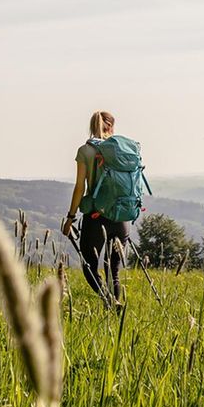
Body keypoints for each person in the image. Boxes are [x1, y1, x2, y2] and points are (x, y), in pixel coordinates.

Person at [63, 110, 129, 304]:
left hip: (96, 216)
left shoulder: (85, 151)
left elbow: (79, 187)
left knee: (89, 266)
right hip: (121, 216)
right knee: (113, 271)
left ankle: (110, 302)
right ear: (112, 126)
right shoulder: (122, 150)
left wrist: (70, 217)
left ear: (92, 126)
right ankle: (115, 311)